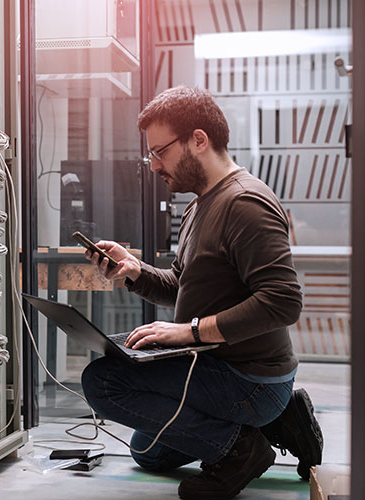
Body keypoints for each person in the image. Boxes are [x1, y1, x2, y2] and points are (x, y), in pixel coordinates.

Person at [81, 86, 323, 500]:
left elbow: (283, 301)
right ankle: (277, 423)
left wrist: (190, 332)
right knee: (147, 452)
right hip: (218, 365)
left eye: (160, 152)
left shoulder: (245, 203)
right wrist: (135, 272)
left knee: (104, 382)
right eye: (150, 155)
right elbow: (182, 285)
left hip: (249, 378)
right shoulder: (199, 205)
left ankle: (242, 449)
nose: (154, 166)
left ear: (198, 139)